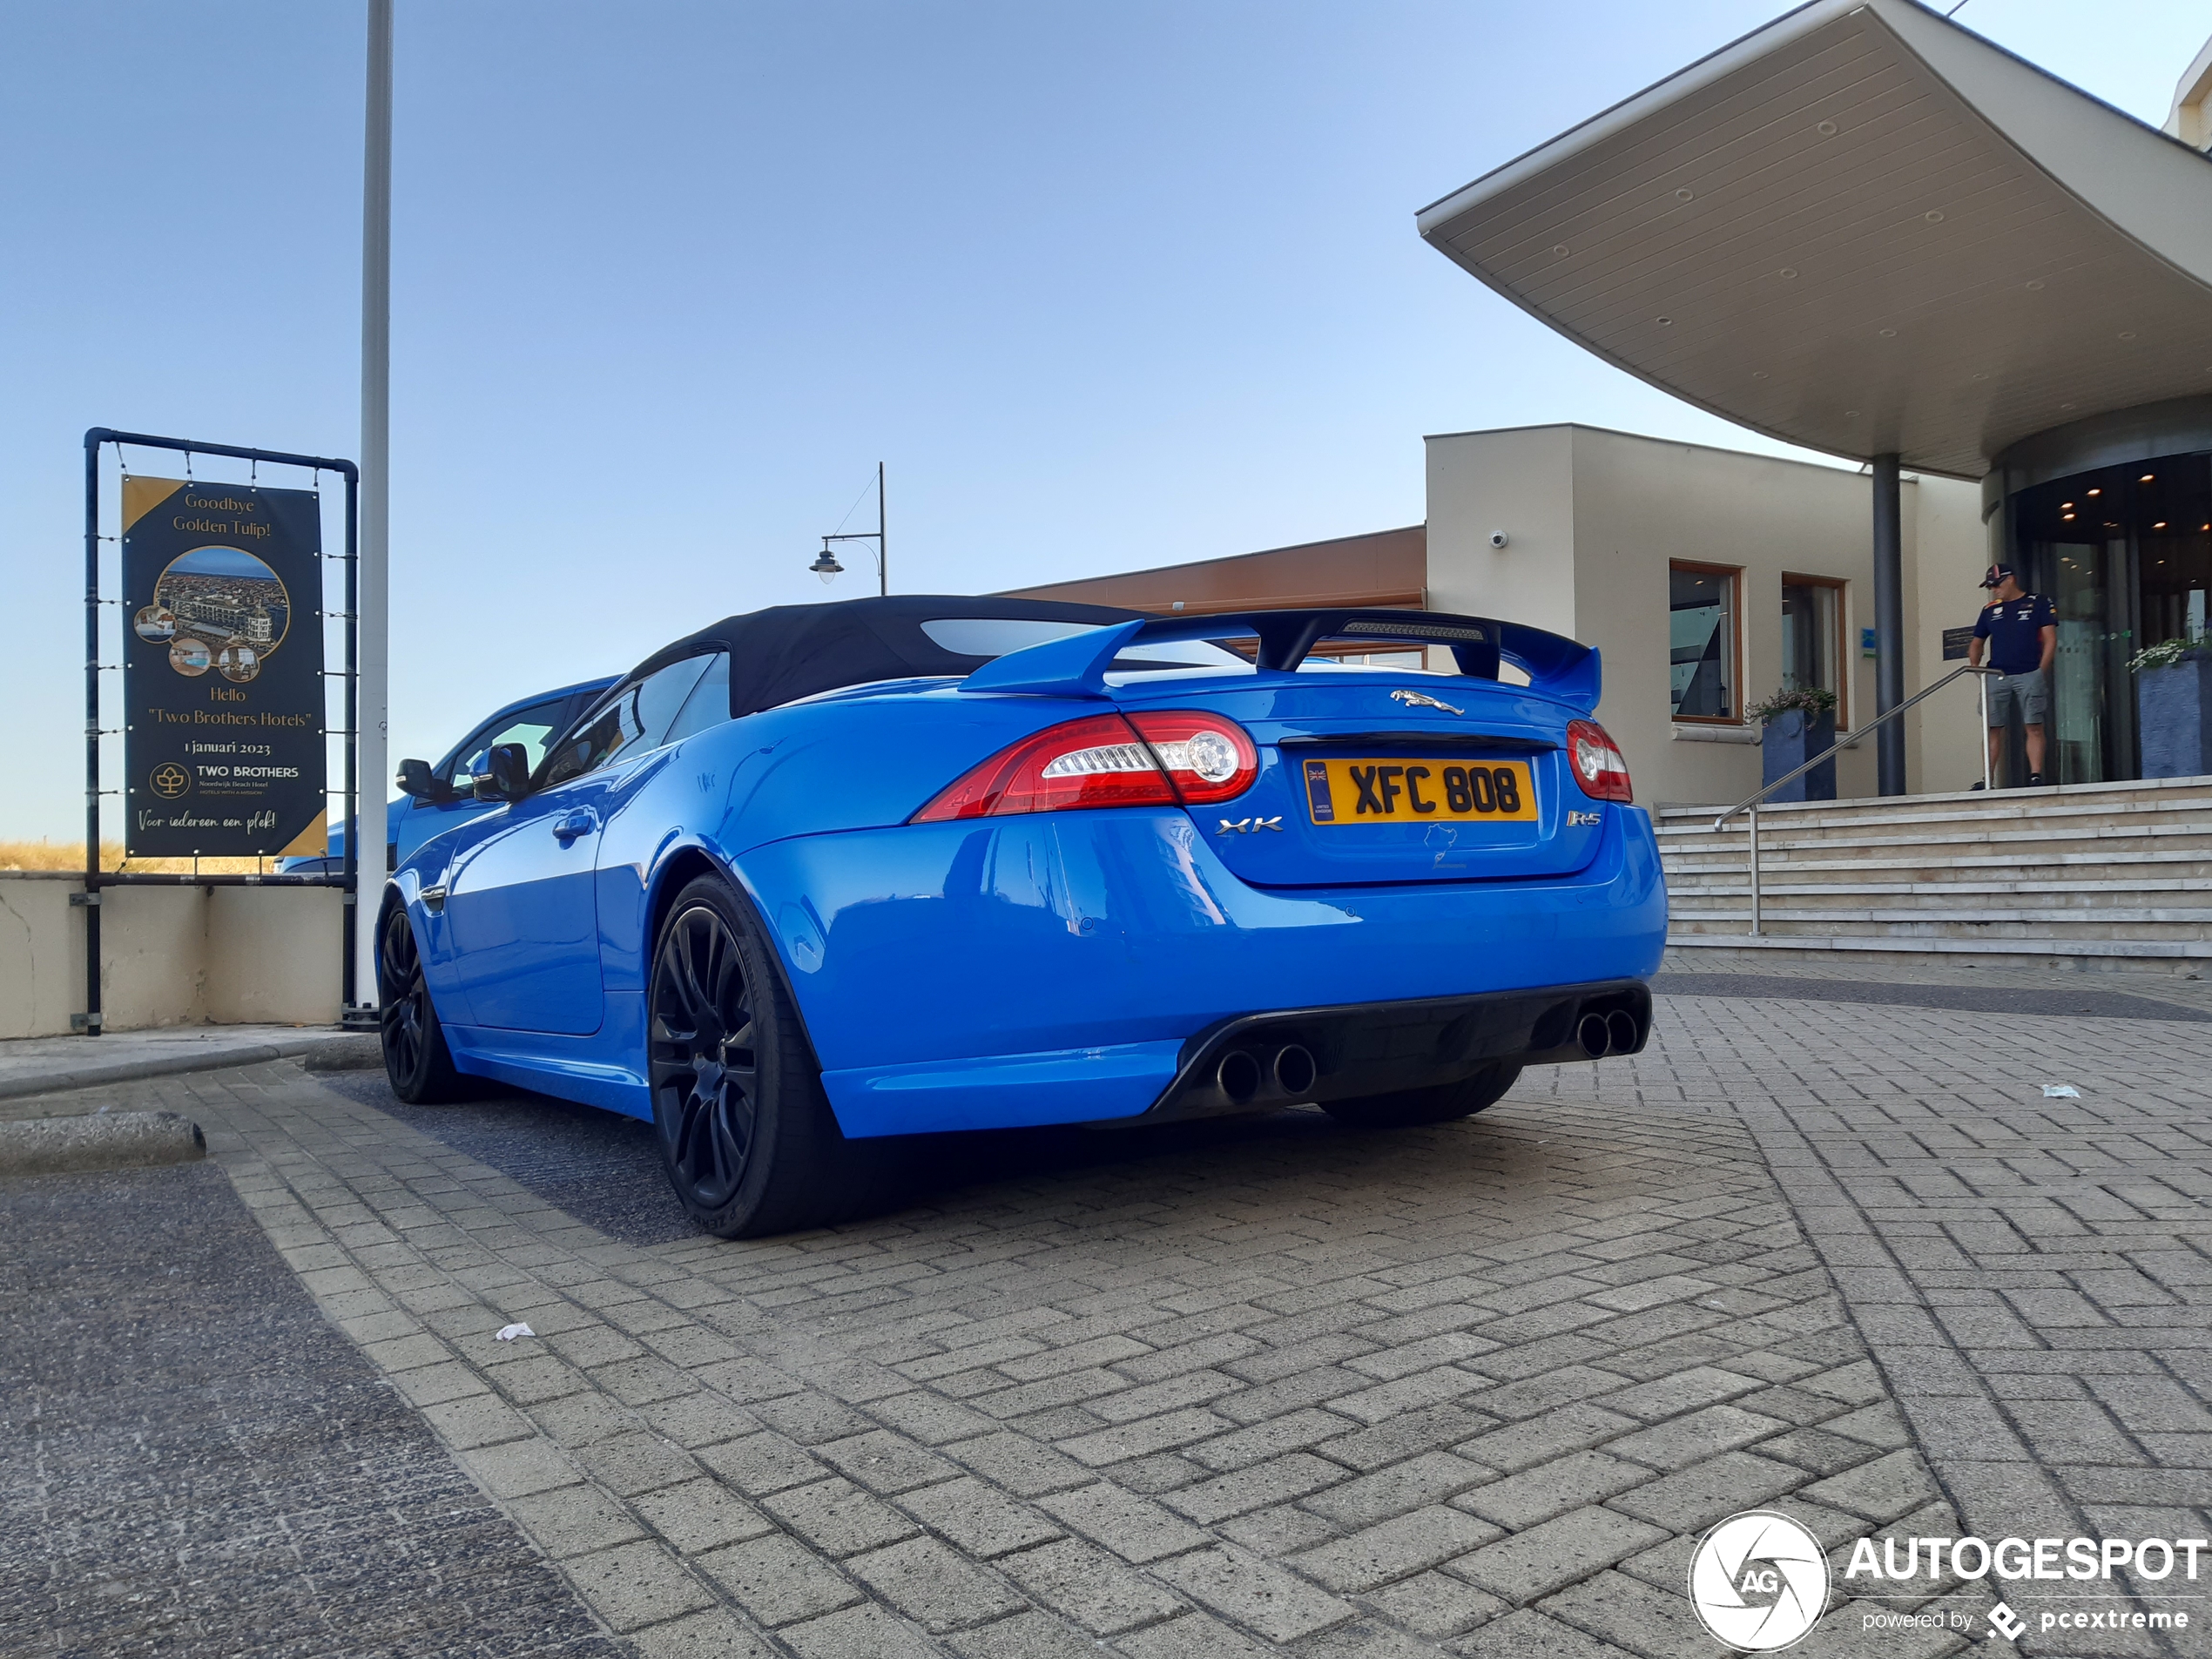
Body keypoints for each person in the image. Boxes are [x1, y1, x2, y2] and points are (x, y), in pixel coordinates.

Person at [1967, 563, 2056, 787]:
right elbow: (1977, 642)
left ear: (2011, 580)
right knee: (1992, 727)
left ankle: (2035, 775)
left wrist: (2041, 670)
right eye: (1990, 586)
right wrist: (1977, 669)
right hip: (1996, 674)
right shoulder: (1989, 610)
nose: (1994, 589)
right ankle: (1987, 779)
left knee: (2034, 725)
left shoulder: (2038, 602)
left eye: (1997, 584)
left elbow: (2050, 639)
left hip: (2029, 672)